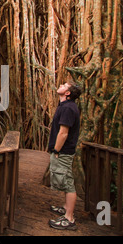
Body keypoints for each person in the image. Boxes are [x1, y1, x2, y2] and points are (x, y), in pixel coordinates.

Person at [47, 81, 81, 230]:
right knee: (65, 179)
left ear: (67, 93)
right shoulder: (65, 106)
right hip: (64, 150)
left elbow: (64, 132)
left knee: (68, 183)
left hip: (63, 151)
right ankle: (66, 208)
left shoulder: (68, 108)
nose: (61, 85)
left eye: (64, 85)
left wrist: (56, 150)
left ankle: (69, 218)